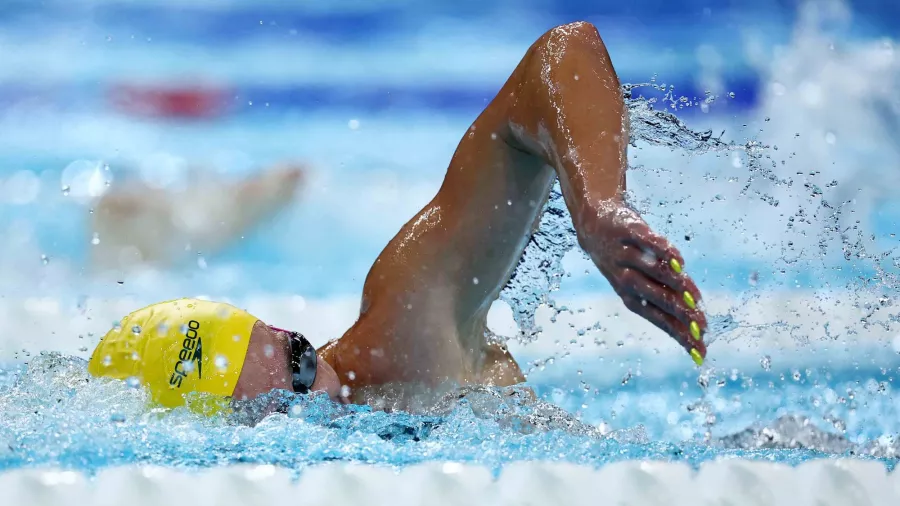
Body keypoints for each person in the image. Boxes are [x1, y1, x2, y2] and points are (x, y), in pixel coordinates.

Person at [88, 22, 708, 415]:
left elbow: (562, 50)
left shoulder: (404, 339)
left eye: (301, 360)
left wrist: (599, 204)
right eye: (275, 413)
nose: (317, 400)